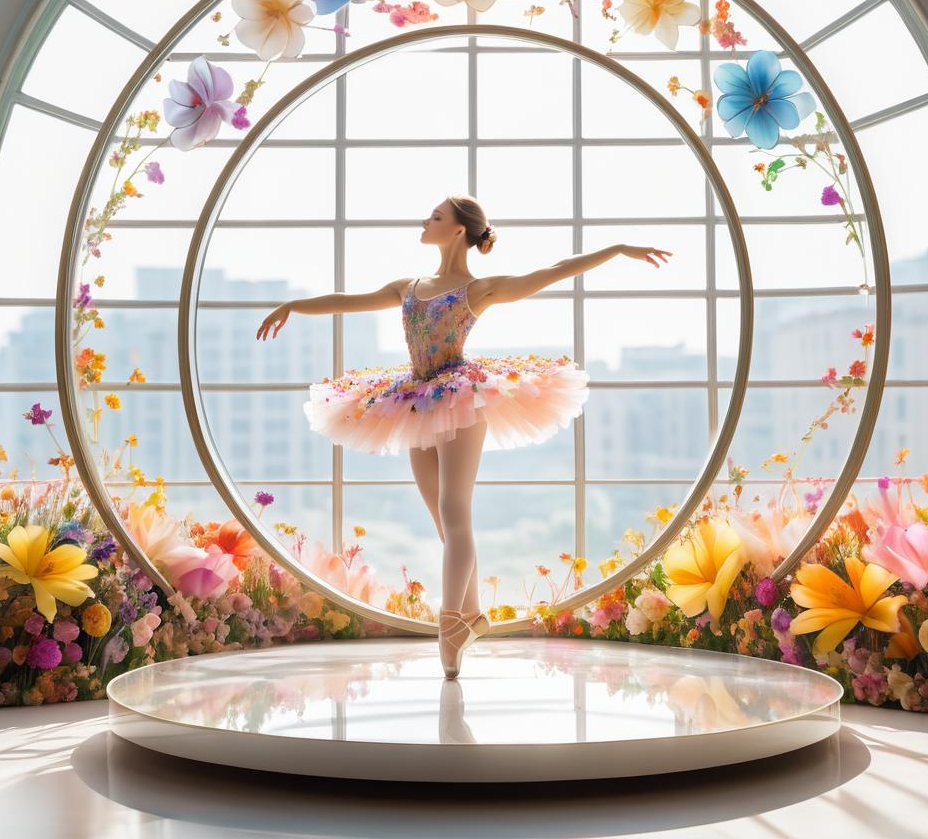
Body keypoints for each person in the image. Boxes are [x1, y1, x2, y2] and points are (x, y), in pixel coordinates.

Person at [256, 194, 672, 678]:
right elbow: (346, 302)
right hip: (412, 401)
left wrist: (617, 249)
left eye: (435, 216)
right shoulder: (408, 287)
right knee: (441, 518)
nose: (424, 220)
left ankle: (449, 622)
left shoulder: (479, 289)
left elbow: (554, 270)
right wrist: (293, 305)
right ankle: (472, 612)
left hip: (460, 399)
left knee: (455, 513)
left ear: (457, 230)